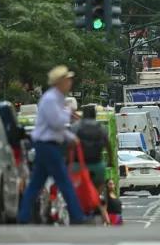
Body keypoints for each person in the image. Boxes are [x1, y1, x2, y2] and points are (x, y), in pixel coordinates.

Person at [17, 65, 88, 224]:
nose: (70, 83)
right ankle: (77, 216)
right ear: (60, 82)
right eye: (67, 80)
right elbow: (57, 123)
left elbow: (58, 128)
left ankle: (23, 216)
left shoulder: (57, 99)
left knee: (36, 183)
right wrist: (68, 112)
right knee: (64, 181)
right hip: (47, 146)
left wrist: (71, 137)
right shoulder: (50, 99)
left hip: (47, 144)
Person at [74, 104, 113, 196]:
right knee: (100, 183)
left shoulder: (76, 127)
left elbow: (69, 144)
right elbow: (108, 145)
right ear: (95, 115)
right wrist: (111, 161)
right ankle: (97, 199)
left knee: (73, 187)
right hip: (97, 165)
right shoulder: (100, 127)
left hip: (79, 165)